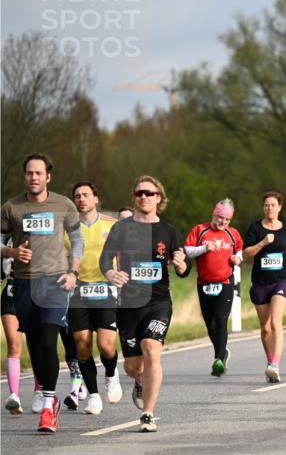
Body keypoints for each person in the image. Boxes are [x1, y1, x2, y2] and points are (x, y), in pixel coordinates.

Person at [0, 154, 83, 433]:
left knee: (49, 341)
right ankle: (49, 396)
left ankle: (48, 406)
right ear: (24, 176)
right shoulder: (11, 207)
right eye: (29, 173)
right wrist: (10, 251)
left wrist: (73, 272)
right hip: (24, 284)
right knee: (36, 347)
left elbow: (78, 240)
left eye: (38, 173)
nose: (33, 177)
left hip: (55, 282)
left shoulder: (64, 204)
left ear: (48, 176)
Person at [100, 175, 188, 432]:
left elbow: (183, 266)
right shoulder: (121, 228)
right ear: (134, 197)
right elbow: (105, 261)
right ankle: (139, 379)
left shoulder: (169, 231)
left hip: (158, 301)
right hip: (128, 303)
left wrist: (182, 265)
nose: (144, 197)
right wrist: (111, 274)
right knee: (132, 365)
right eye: (139, 193)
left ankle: (148, 414)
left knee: (151, 348)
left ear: (158, 198)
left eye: (149, 193)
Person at [65, 181, 122, 414]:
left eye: (86, 195)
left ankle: (111, 373)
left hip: (106, 288)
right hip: (78, 290)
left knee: (106, 346)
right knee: (83, 345)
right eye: (77, 195)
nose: (81, 199)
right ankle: (94, 396)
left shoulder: (113, 224)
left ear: (96, 199)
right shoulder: (68, 229)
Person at [243, 192, 286, 383]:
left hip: (280, 281)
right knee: (265, 328)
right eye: (266, 205)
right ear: (263, 207)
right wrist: (263, 242)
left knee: (276, 323)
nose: (270, 208)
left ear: (279, 207)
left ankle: (275, 364)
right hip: (260, 282)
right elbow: (246, 254)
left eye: (273, 205)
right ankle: (269, 363)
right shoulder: (255, 228)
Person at [185, 199, 243, 377]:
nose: (223, 222)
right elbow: (187, 250)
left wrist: (238, 259)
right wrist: (203, 249)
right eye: (221, 218)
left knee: (220, 319)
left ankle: (218, 359)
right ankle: (222, 351)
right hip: (204, 283)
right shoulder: (200, 230)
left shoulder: (232, 233)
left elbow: (239, 250)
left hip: (225, 282)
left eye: (227, 220)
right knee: (210, 323)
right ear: (214, 214)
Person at [2, 253, 24, 415]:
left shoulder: (42, 235)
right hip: (11, 295)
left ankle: (40, 392)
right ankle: (14, 396)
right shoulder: (6, 239)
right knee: (13, 344)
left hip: (37, 295)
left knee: (37, 345)